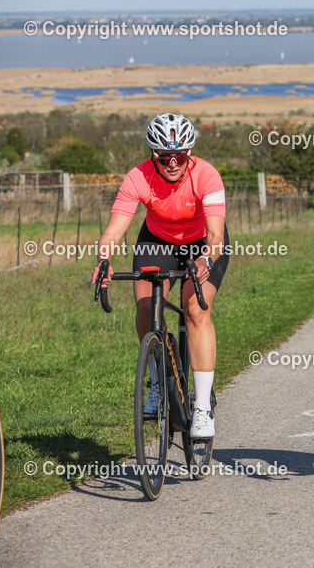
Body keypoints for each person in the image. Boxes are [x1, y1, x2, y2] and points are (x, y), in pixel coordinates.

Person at [91, 113, 228, 438]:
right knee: (144, 308)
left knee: (195, 310)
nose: (172, 163)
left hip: (202, 243)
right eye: (164, 156)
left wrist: (205, 258)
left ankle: (202, 408)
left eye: (179, 155)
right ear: (154, 155)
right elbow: (113, 231)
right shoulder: (137, 177)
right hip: (158, 240)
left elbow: (216, 236)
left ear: (188, 153)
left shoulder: (207, 175)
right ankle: (156, 379)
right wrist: (104, 260)